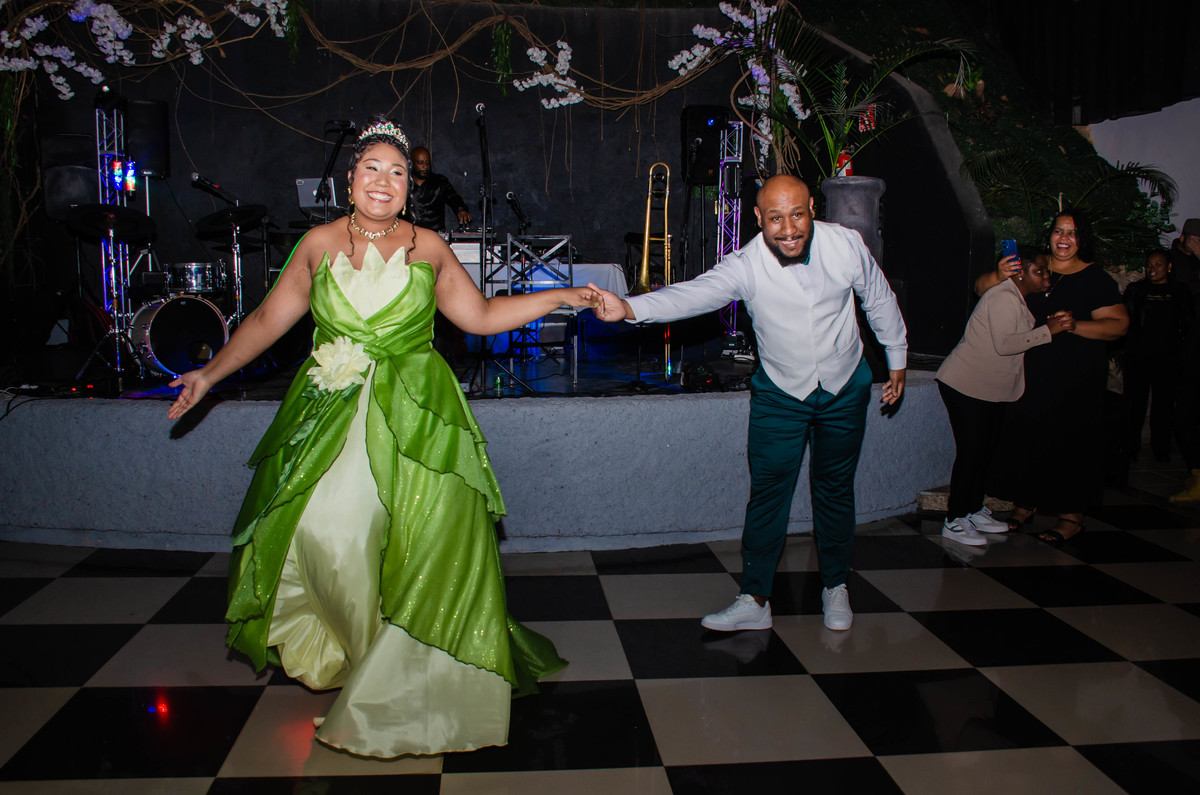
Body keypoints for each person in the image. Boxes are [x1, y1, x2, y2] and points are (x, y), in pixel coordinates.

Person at [167, 118, 599, 758]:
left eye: (397, 172)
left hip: (418, 416)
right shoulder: (317, 244)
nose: (383, 180)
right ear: (349, 180)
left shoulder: (430, 247)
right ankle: (363, 649)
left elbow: (481, 317)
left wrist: (562, 296)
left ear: (408, 188)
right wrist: (209, 374)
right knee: (325, 536)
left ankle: (397, 682)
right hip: (334, 413)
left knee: (418, 545)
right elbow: (264, 320)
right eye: (372, 167)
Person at [589, 174, 907, 632]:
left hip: (844, 385)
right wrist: (630, 308)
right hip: (780, 393)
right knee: (768, 495)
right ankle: (755, 599)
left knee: (835, 489)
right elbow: (692, 294)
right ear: (758, 218)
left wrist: (896, 357)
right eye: (775, 218)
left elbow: (878, 299)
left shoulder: (846, 245)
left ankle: (835, 585)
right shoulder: (745, 265)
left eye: (797, 215)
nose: (788, 229)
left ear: (812, 209)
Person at [975, 210, 1128, 543]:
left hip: (1076, 375)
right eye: (1059, 231)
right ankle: (1024, 504)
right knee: (1027, 436)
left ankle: (1072, 516)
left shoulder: (1094, 279)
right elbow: (981, 288)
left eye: (1071, 233)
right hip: (1029, 370)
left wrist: (1075, 326)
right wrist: (1000, 274)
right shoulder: (1033, 268)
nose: (1064, 239)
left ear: (1081, 238)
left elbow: (1119, 325)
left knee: (1071, 443)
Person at [936, 253, 1072, 546]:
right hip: (966, 384)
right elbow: (1006, 344)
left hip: (987, 387)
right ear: (1020, 273)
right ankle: (955, 520)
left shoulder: (1015, 296)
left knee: (983, 452)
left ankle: (972, 510)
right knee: (971, 454)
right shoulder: (1003, 297)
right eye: (1040, 271)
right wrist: (1048, 331)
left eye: (1046, 271)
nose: (1046, 276)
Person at [1123, 249, 1191, 462]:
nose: (1152, 269)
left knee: (1164, 405)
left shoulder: (1180, 291)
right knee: (1135, 405)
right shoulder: (1136, 290)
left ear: (1169, 267)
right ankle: (1129, 448)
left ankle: (1161, 449)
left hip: (1168, 358)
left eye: (1158, 264)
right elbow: (1126, 322)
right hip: (1138, 358)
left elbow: (1187, 324)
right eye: (1149, 265)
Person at [408, 146, 472, 233]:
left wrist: (461, 209)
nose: (425, 166)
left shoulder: (439, 181)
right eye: (420, 163)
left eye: (427, 163)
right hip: (408, 234)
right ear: (411, 163)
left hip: (434, 234)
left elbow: (453, 197)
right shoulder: (404, 182)